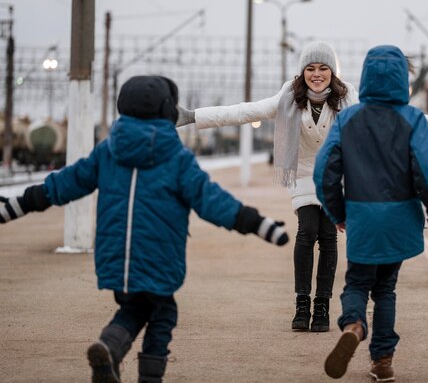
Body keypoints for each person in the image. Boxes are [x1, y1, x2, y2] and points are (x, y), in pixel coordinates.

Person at [0, 75, 289, 383]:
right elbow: (213, 202)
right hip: (159, 257)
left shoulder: (107, 152)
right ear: (167, 110)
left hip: (115, 258)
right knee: (163, 315)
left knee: (135, 308)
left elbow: (64, 184)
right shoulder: (177, 159)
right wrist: (259, 224)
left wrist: (17, 205)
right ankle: (146, 376)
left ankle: (110, 345)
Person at [176, 40, 428, 333]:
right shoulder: (287, 99)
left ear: (333, 72)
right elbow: (243, 111)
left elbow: (393, 114)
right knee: (307, 230)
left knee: (328, 237)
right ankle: (302, 303)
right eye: (310, 68)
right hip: (305, 172)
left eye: (323, 68)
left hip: (336, 174)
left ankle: (322, 306)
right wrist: (192, 116)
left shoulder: (349, 99)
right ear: (302, 72)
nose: (316, 74)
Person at [314, 45, 428, 381]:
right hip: (400, 219)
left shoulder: (348, 119)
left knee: (357, 283)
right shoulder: (414, 119)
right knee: (386, 289)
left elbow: (323, 172)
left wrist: (337, 212)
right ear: (403, 78)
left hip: (361, 216)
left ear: (367, 76)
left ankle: (355, 325)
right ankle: (383, 360)